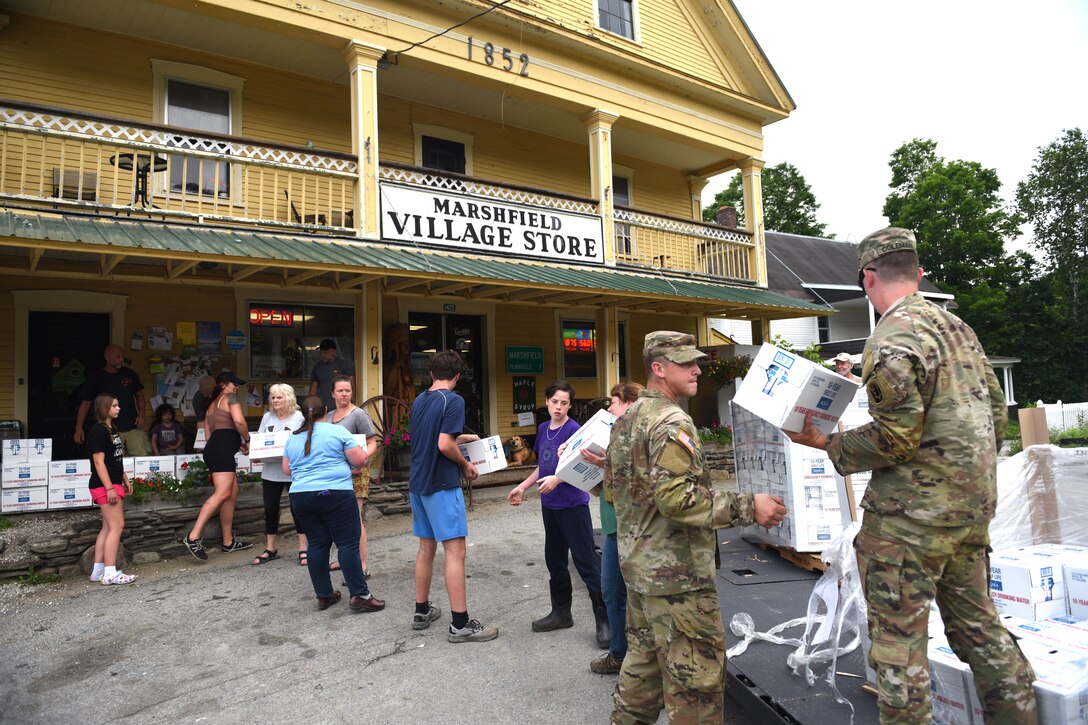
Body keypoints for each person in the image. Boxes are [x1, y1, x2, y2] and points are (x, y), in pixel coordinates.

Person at [784, 228, 1037, 725]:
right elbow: (998, 413)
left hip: (909, 524)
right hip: (969, 511)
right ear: (918, 275)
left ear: (867, 279)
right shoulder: (959, 329)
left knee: (899, 650)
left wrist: (825, 443)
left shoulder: (892, 338)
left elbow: (896, 439)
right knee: (981, 632)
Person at [607, 331, 786, 725]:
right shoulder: (671, 421)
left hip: (640, 571)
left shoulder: (628, 418)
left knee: (642, 672)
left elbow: (613, 492)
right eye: (686, 363)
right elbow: (677, 500)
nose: (697, 369)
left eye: (696, 361)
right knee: (697, 689)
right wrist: (748, 506)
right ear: (658, 368)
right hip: (678, 581)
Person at [508, 381, 608, 649]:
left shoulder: (575, 429)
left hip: (573, 506)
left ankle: (605, 621)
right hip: (549, 506)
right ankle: (561, 613)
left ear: (570, 406)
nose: (559, 407)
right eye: (555, 402)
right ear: (547, 402)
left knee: (586, 561)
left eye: (564, 403)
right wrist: (523, 486)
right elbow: (544, 466)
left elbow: (580, 465)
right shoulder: (542, 429)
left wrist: (558, 480)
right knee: (554, 560)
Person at [408, 350, 498, 643]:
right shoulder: (454, 400)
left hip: (418, 484)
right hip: (442, 484)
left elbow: (433, 437)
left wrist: (463, 438)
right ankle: (460, 623)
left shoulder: (420, 400)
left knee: (425, 548)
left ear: (432, 374)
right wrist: (465, 463)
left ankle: (421, 611)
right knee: (455, 551)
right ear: (458, 376)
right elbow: (444, 444)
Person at [283, 396, 384, 613]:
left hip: (301, 496)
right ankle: (360, 595)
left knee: (317, 545)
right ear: (326, 411)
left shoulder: (293, 438)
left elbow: (287, 470)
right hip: (335, 493)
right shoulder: (337, 431)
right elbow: (360, 459)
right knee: (347, 543)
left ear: (303, 414)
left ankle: (324, 595)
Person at [571, 382, 644, 675]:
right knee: (613, 592)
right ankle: (622, 651)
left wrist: (604, 466)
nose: (610, 409)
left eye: (613, 403)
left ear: (628, 404)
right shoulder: (616, 435)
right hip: (614, 524)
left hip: (629, 528)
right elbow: (606, 490)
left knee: (620, 594)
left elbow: (638, 484)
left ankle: (625, 656)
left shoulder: (638, 438)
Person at [183, 372, 253, 560]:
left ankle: (228, 542)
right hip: (222, 451)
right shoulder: (230, 398)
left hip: (214, 449)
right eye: (234, 384)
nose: (237, 387)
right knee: (222, 493)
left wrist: (235, 443)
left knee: (231, 493)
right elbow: (238, 421)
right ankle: (193, 536)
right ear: (223, 385)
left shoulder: (210, 406)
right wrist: (247, 439)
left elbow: (210, 434)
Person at [326, 375, 379, 577]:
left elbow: (373, 442)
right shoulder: (329, 416)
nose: (344, 394)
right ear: (333, 393)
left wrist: (362, 458)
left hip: (356, 473)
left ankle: (362, 564)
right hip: (336, 473)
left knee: (354, 518)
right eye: (340, 391)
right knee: (338, 518)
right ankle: (345, 558)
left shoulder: (359, 415)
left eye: (347, 390)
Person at [251, 383, 305, 566]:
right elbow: (259, 438)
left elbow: (303, 442)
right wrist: (255, 454)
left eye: (279, 397)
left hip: (292, 471)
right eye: (273, 397)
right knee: (270, 509)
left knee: (298, 510)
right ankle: (270, 548)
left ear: (289, 398)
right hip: (271, 472)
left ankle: (303, 548)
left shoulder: (298, 417)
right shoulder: (267, 417)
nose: (275, 401)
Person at [86, 394, 137, 585]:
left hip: (113, 482)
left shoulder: (111, 429)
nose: (119, 408)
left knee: (107, 527)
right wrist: (109, 488)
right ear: (104, 408)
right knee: (117, 526)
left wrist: (124, 478)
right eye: (114, 405)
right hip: (104, 485)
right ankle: (110, 573)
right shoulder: (98, 431)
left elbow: (114, 458)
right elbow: (98, 462)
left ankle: (98, 571)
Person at [74, 344, 150, 456]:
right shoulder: (97, 377)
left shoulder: (129, 374)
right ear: (107, 356)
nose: (121, 359)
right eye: (117, 356)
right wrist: (79, 428)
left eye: (122, 357)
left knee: (141, 457)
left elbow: (139, 395)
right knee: (116, 461)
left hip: (133, 426)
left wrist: (142, 414)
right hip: (110, 429)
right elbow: (85, 403)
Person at [309, 338, 355, 412]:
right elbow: (314, 388)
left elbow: (351, 386)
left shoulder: (344, 365)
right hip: (323, 409)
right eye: (321, 352)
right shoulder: (317, 367)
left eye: (325, 352)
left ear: (333, 351)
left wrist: (350, 404)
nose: (323, 355)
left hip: (341, 408)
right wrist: (310, 406)